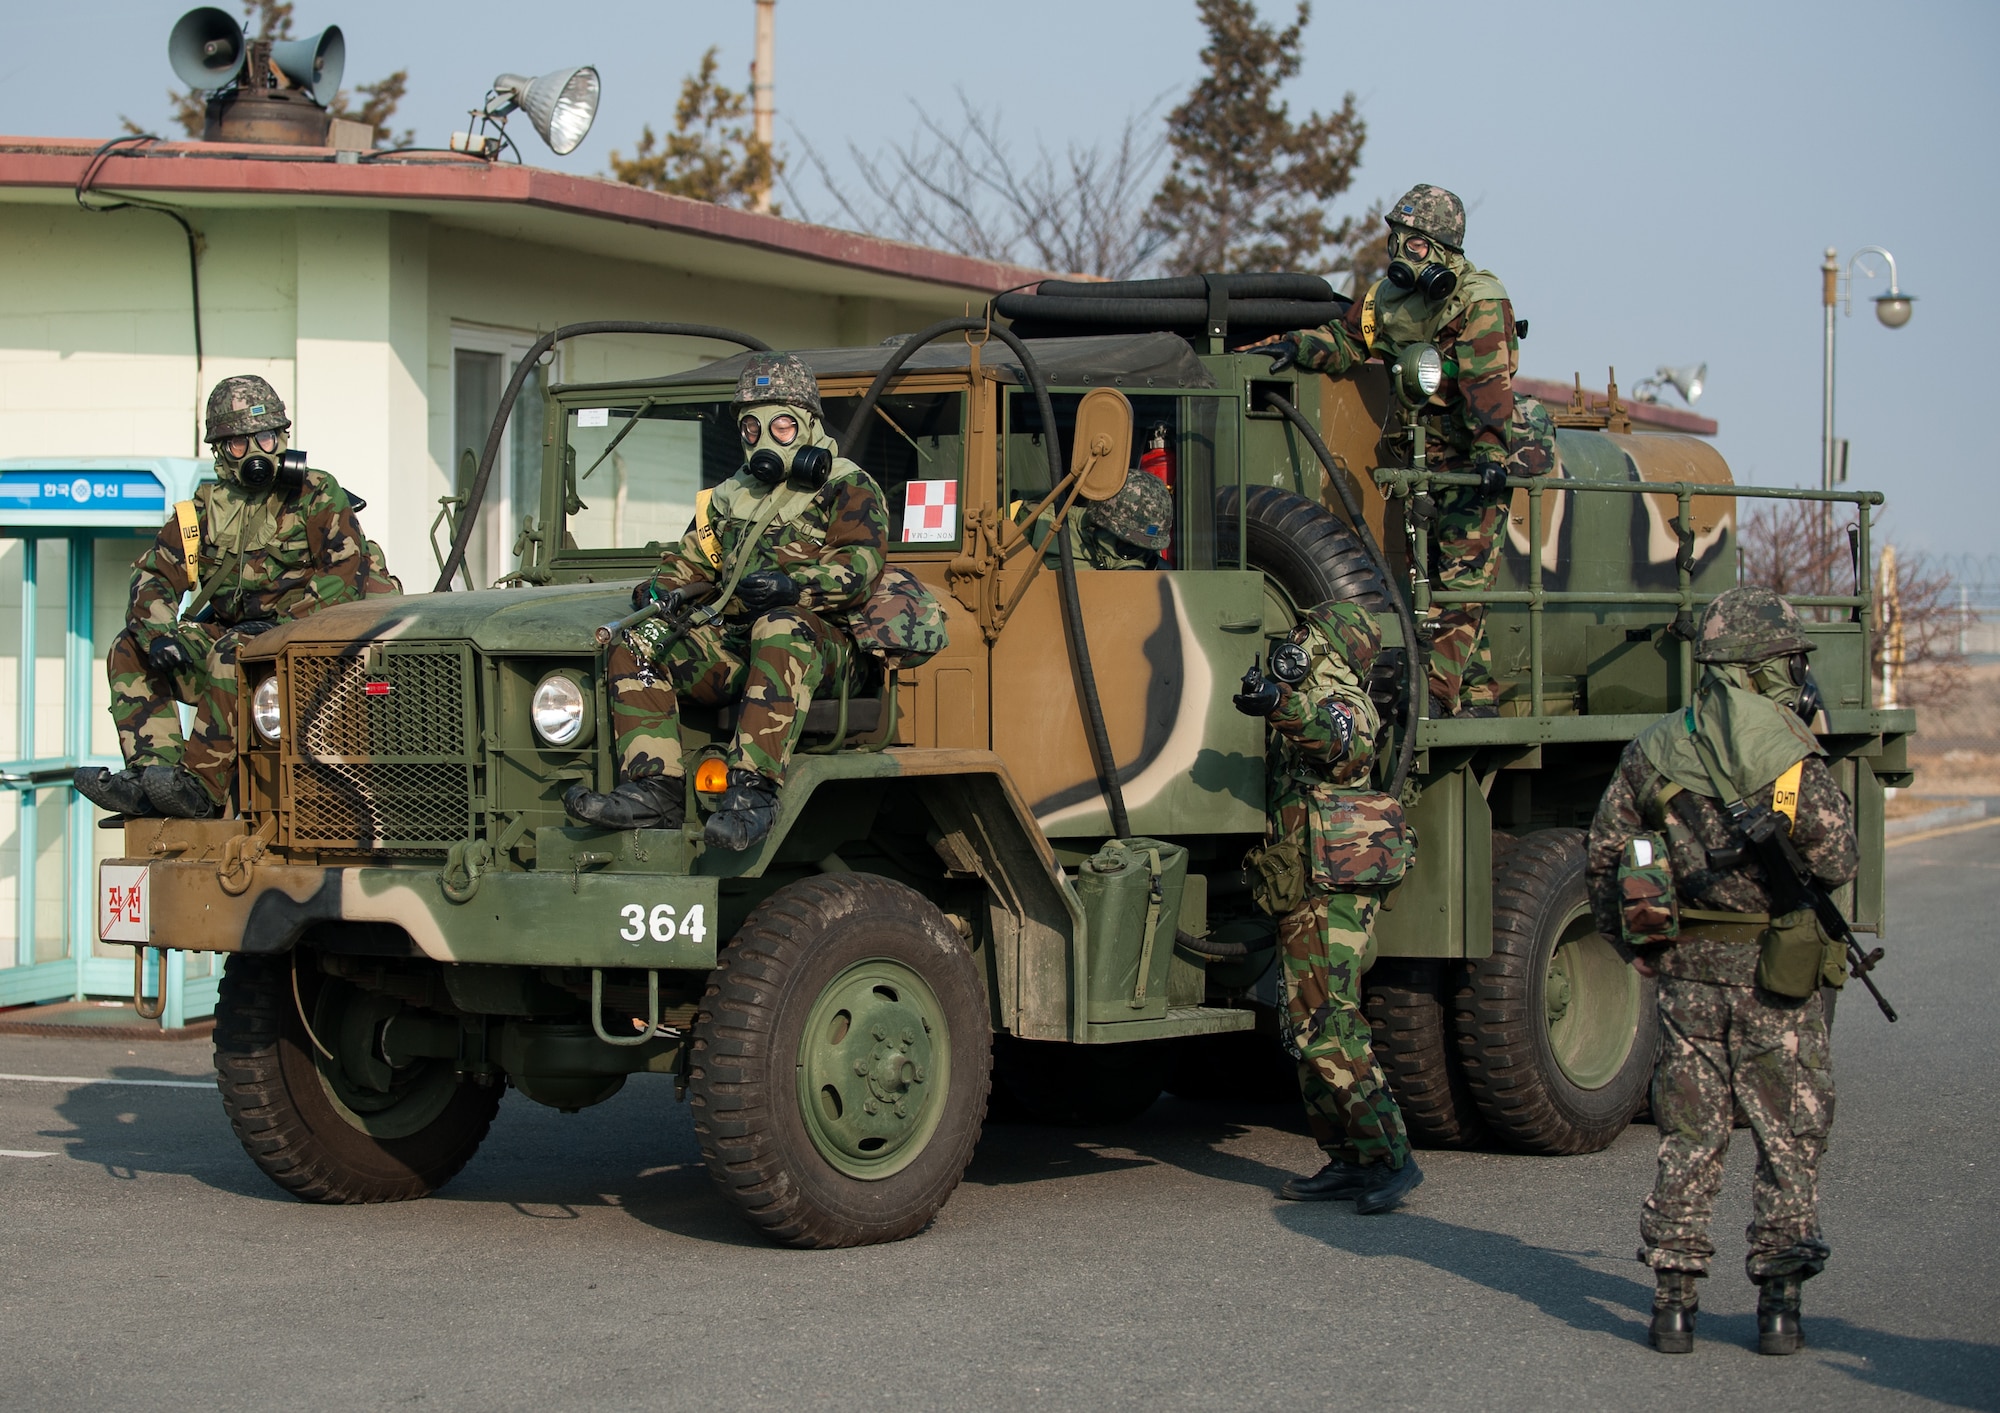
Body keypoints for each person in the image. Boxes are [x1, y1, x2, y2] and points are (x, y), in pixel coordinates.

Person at [1585, 586, 1854, 1357]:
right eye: (1788, 660)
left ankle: (1673, 1304)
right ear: (1763, 668)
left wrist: (1637, 944)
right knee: (1788, 1132)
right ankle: (1779, 1304)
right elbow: (1838, 857)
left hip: (1687, 972)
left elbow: (1606, 857)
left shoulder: (1655, 747)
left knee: (1690, 1134)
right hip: (1778, 972)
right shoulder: (1789, 757)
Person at [1254, 183, 1556, 718]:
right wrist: (1297, 346)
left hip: (1485, 451)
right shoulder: (1384, 298)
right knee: (1441, 576)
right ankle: (1479, 699)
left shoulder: (1479, 299)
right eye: (1396, 239)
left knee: (1462, 580)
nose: (1400, 253)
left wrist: (1490, 458)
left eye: (1414, 245)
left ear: (1442, 252)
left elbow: (1488, 393)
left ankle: (1435, 699)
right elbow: (1348, 342)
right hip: (1428, 455)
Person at [567, 353, 890, 851]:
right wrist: (659, 589)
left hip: (825, 650)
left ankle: (752, 793)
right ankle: (655, 788)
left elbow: (860, 569)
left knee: (780, 626)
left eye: (781, 426)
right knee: (638, 638)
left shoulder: (847, 485)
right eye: (752, 427)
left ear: (806, 425)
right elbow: (694, 560)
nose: (765, 439)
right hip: (741, 644)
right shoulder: (730, 493)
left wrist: (793, 588)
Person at [75, 375, 395, 820]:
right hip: (239, 644)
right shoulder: (202, 513)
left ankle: (200, 788)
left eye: (265, 437)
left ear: (282, 437)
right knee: (129, 648)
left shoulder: (316, 493)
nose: (257, 452)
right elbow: (154, 578)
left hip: (314, 646)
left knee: (233, 648)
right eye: (240, 444)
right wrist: (160, 634)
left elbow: (344, 578)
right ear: (222, 451)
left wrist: (278, 625)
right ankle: (154, 776)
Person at [1235, 600, 1421, 1214]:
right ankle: (1347, 1157)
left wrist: (1278, 705)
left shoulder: (1346, 703)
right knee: (1305, 1024)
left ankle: (1390, 1155)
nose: (1298, 641)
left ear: (1336, 649)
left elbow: (1342, 748)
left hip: (1334, 887)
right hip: (1306, 881)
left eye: (1310, 635)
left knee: (1329, 1024)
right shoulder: (1309, 694)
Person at [1009, 467, 1172, 570]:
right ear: (1099, 526)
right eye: (1127, 548)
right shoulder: (1038, 523)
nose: (1138, 560)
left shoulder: (1152, 562)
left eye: (1146, 551)